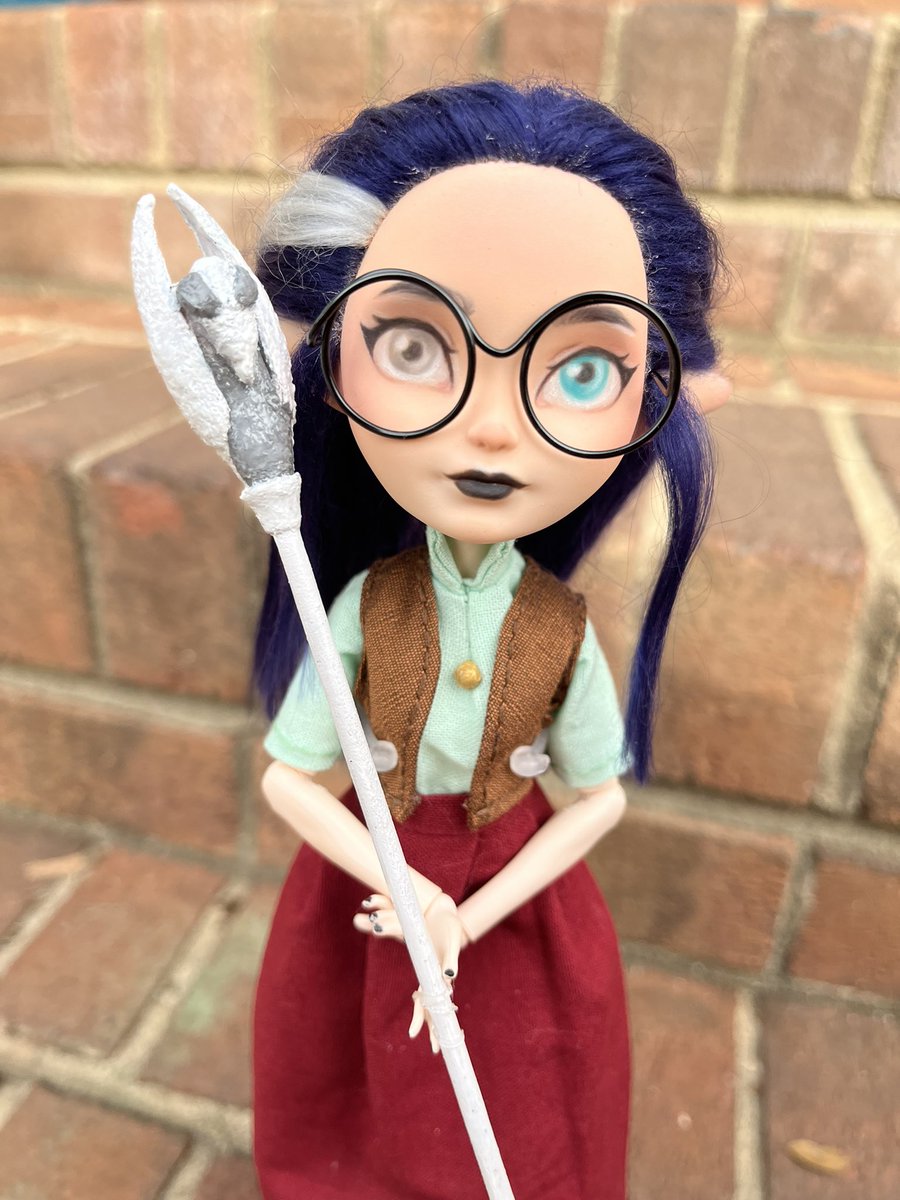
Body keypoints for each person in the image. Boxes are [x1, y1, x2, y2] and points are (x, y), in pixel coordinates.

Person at [251, 79, 727, 1200]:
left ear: (648, 396)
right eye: (414, 345)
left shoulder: (556, 631)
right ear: (333, 363)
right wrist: (409, 893)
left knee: (528, 1114)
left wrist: (471, 915)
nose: (495, 427)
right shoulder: (367, 608)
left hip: (516, 908)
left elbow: (598, 799)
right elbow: (287, 780)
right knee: (346, 1108)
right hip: (369, 897)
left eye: (582, 369)